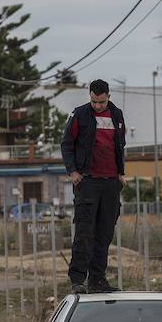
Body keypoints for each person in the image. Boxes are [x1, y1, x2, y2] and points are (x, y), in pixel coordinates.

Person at [60, 79, 127, 294]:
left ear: (108, 96)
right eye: (94, 101)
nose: (97, 105)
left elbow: (120, 145)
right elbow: (66, 144)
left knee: (104, 234)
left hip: (110, 183)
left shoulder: (116, 115)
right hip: (87, 182)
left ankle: (98, 280)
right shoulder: (80, 114)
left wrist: (120, 173)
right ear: (89, 96)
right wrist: (73, 172)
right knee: (84, 232)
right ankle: (78, 280)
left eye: (101, 101)